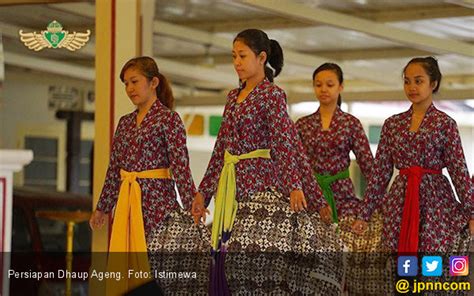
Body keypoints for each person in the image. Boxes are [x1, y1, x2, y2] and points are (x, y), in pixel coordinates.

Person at [191, 29, 344, 295]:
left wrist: (296, 186)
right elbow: (220, 150)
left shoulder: (272, 95)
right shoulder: (231, 98)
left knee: (254, 269)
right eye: (233, 56)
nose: (237, 62)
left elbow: (284, 145)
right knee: (224, 261)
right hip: (231, 191)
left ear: (261, 58)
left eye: (242, 56)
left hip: (262, 188)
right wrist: (203, 193)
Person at [89, 56, 209, 295]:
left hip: (159, 209)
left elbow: (180, 166)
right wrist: (103, 207)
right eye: (125, 83)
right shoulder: (124, 123)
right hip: (127, 207)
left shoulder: (169, 119)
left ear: (153, 82)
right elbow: (115, 169)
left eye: (134, 81)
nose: (129, 88)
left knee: (156, 273)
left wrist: (192, 203)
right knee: (128, 273)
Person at [352, 57, 474, 256]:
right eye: (407, 81)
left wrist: (472, 212)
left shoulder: (445, 123)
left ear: (433, 84)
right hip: (399, 200)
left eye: (419, 81)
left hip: (436, 202)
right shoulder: (392, 124)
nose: (412, 87)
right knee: (400, 263)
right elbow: (380, 174)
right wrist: (364, 215)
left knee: (432, 263)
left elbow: (459, 172)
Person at [295, 63, 389, 295]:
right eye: (318, 85)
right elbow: (293, 166)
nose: (323, 90)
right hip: (310, 199)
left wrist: (381, 202)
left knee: (362, 249)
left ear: (341, 86)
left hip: (345, 198)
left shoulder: (351, 123)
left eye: (329, 84)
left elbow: (370, 168)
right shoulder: (302, 124)